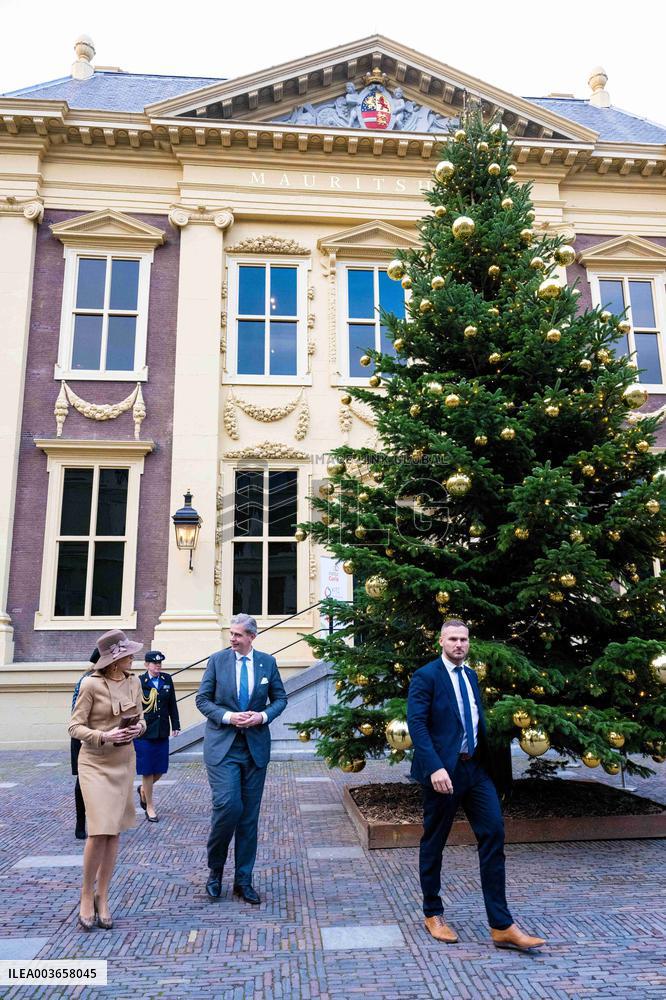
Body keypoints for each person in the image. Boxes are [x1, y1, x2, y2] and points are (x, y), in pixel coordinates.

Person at [407, 619, 546, 951]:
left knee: (494, 833)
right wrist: (435, 767)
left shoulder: (470, 676)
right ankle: (433, 912)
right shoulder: (426, 676)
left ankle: (501, 926)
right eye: (453, 639)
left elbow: (474, 720)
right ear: (441, 641)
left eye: (464, 639)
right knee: (434, 842)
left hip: (475, 770)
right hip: (443, 774)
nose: (459, 644)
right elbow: (417, 724)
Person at [195, 613, 287, 904]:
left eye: (237, 634)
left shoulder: (267, 663)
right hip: (223, 748)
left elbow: (281, 699)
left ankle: (243, 880)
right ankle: (215, 871)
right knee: (228, 806)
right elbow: (202, 699)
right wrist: (229, 716)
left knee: (248, 818)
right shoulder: (217, 661)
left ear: (251, 637)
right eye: (230, 634)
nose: (232, 639)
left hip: (255, 750)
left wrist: (262, 716)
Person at [68, 629, 145, 931]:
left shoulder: (134, 681)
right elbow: (74, 726)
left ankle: (104, 896)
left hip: (124, 762)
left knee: (114, 833)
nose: (133, 657)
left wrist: (137, 729)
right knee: (98, 831)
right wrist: (104, 735)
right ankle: (86, 894)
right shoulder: (90, 684)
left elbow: (141, 718)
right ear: (115, 659)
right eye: (128, 653)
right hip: (95, 763)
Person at [135, 650, 181, 823]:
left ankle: (143, 791)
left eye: (160, 664)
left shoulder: (166, 679)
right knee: (148, 769)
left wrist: (175, 724)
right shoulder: (139, 681)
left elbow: (172, 703)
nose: (158, 666)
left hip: (161, 729)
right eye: (154, 664)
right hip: (144, 731)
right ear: (147, 665)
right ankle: (150, 807)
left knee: (160, 769)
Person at [71, 647, 100, 839]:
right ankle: (81, 823)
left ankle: (100, 821)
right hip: (84, 736)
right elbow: (76, 713)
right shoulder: (86, 681)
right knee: (82, 780)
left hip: (104, 737)